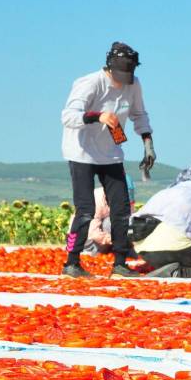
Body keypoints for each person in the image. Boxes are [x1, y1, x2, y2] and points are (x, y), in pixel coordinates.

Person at [60, 42, 156, 278]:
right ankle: (71, 262)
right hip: (81, 152)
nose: (122, 81)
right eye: (119, 75)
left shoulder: (133, 85)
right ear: (110, 67)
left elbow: (139, 114)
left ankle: (120, 264)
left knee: (121, 208)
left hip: (111, 152)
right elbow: (68, 116)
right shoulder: (90, 83)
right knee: (85, 210)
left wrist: (148, 143)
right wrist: (98, 116)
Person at [129, 162, 191, 278]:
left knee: (178, 245)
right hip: (175, 246)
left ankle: (162, 267)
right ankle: (177, 273)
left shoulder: (166, 191)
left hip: (142, 247)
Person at [71, 176, 136, 255]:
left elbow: (129, 222)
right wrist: (115, 240)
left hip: (104, 238)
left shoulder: (128, 202)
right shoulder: (95, 199)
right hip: (84, 236)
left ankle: (114, 250)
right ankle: (85, 251)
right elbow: (92, 232)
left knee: (114, 221)